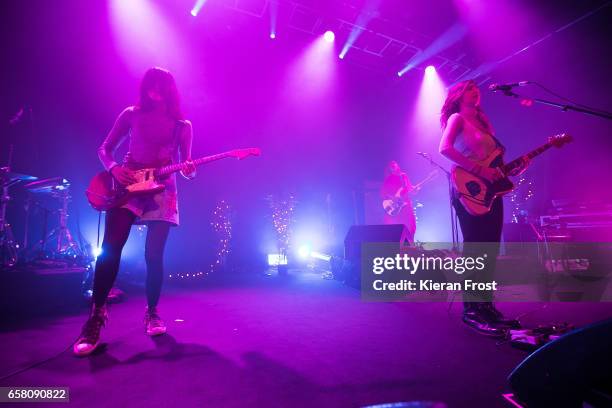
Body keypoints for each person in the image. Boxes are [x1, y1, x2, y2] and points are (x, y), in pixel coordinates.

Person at [74, 67, 196, 356]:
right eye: (150, 85)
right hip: (128, 185)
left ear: (170, 89)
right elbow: (105, 149)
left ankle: (152, 312)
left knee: (154, 256)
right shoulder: (131, 113)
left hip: (163, 189)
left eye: (160, 85)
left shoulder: (183, 125)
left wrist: (190, 170)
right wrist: (115, 168)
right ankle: (95, 317)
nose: (155, 90)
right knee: (110, 248)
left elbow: (187, 166)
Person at [439, 80, 527, 336]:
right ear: (458, 95)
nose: (475, 91)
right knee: (476, 248)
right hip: (470, 190)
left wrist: (510, 169)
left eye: (476, 88)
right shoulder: (457, 118)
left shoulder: (485, 121)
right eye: (469, 88)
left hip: (492, 190)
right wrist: (479, 170)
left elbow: (493, 162)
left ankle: (486, 306)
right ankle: (471, 310)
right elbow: (444, 148)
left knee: (488, 251)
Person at [381, 161, 417, 243]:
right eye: (391, 166)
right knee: (395, 228)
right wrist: (392, 198)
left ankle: (410, 246)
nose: (393, 166)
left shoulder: (404, 176)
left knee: (411, 226)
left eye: (394, 164)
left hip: (406, 205)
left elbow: (409, 188)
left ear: (397, 165)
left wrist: (414, 190)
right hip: (396, 207)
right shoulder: (388, 179)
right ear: (389, 168)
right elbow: (383, 193)